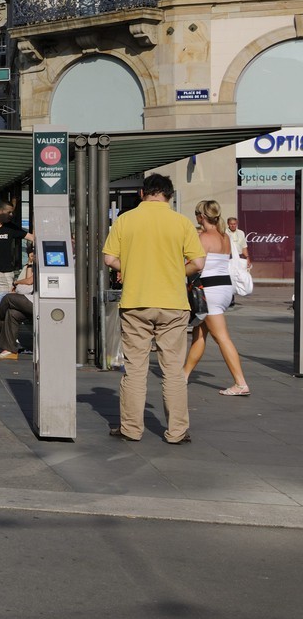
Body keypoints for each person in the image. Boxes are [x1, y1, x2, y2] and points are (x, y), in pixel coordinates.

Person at [100, 173, 205, 444]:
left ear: (142, 193)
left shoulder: (126, 220)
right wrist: (177, 272)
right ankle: (177, 432)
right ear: (168, 195)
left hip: (136, 301)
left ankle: (131, 429)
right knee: (172, 369)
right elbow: (198, 263)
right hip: (173, 303)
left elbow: (109, 258)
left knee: (135, 368)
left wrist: (132, 268)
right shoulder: (181, 222)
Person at [184, 200, 250, 397]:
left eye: (197, 214)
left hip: (209, 290)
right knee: (200, 333)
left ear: (201, 217)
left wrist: (177, 270)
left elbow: (196, 265)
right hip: (223, 288)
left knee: (221, 337)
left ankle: (240, 382)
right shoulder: (225, 237)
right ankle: (184, 374)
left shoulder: (203, 237)